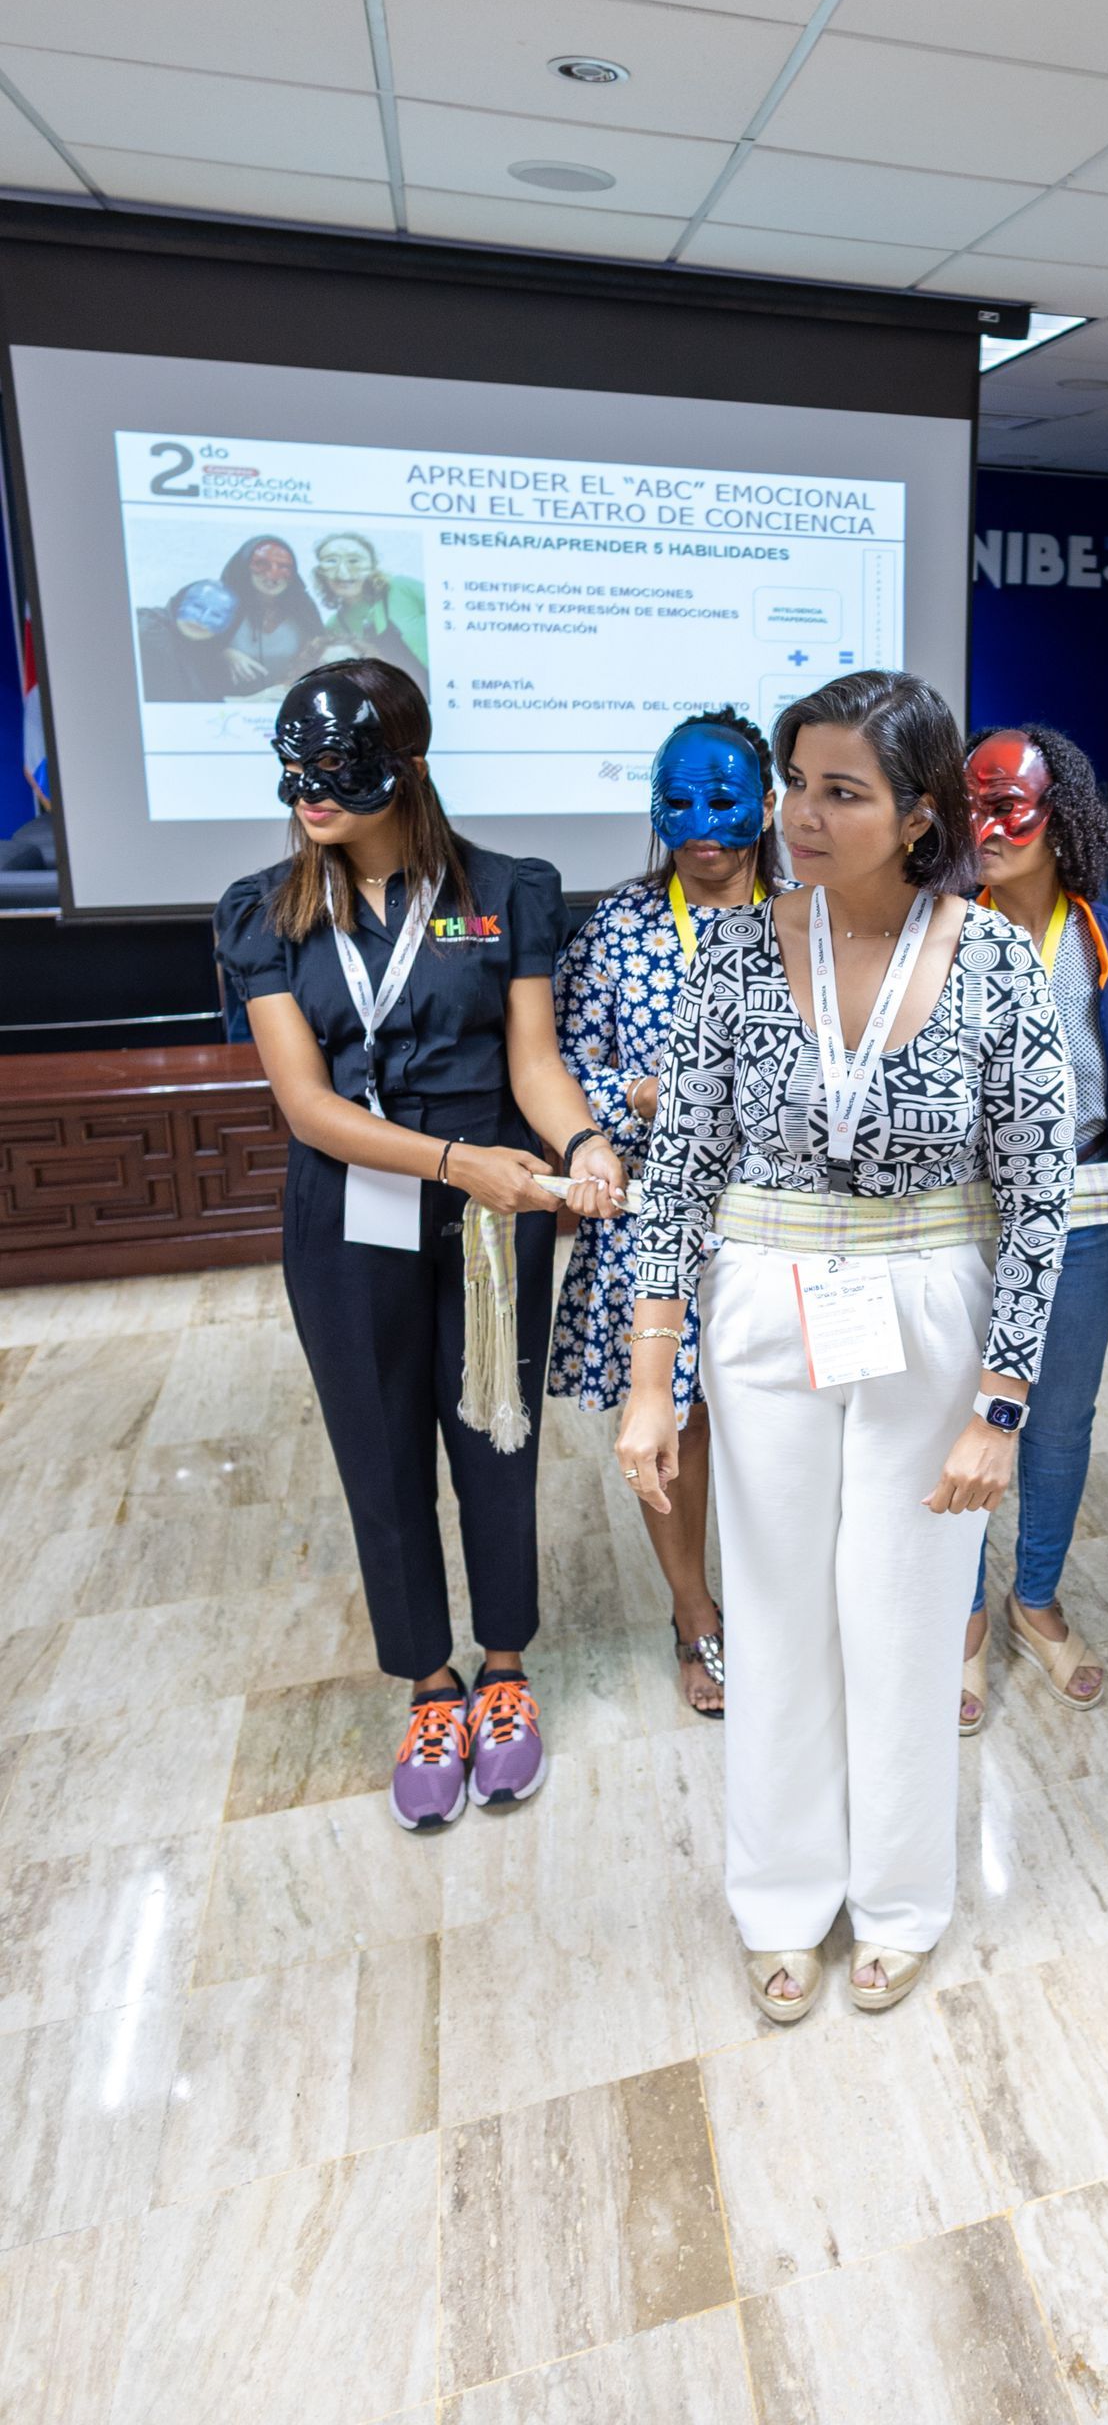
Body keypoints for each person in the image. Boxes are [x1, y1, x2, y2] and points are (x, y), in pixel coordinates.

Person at [615, 670, 1073, 2025]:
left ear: (920, 815)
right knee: (773, 1613)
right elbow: (679, 1169)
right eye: (795, 787)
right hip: (767, 1300)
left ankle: (901, 1901)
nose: (799, 817)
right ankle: (779, 1896)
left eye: (840, 792)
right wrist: (652, 1381)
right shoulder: (735, 952)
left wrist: (1001, 1403)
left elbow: (1042, 1190)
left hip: (932, 1308)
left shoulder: (996, 959)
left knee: (904, 1615)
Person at [215, 657, 627, 1831]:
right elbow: (306, 1105)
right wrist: (456, 1162)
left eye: (335, 768)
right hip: (355, 1210)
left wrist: (583, 1141)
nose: (310, 792)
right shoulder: (266, 911)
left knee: (496, 1435)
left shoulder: (505, 892)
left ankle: (504, 1670)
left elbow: (533, 1064)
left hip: (494, 1215)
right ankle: (431, 1687)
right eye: (293, 769)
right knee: (379, 1451)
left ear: (407, 764)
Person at [548, 708, 781, 1717]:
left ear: (766, 806)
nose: (701, 824)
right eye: (676, 801)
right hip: (657, 1221)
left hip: (783, 1220)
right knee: (672, 1426)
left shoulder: (813, 917)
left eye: (723, 799)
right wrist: (641, 1097)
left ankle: (784, 1608)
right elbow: (563, 1066)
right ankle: (695, 1615)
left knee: (779, 1421)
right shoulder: (618, 927)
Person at [958, 724, 1108, 1729]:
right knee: (957, 1419)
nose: (985, 827)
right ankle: (962, 1616)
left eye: (1008, 807)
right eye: (970, 806)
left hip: (1089, 1217)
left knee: (1058, 1422)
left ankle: (1036, 1597)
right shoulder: (935, 936)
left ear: (1065, 820)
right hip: (960, 1222)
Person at [311, 531, 430, 672]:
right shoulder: (334, 625)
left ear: (372, 566)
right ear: (320, 572)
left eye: (354, 561)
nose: (343, 572)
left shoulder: (401, 588)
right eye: (331, 561)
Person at [218, 534, 324, 689]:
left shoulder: (302, 608)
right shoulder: (225, 605)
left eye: (283, 567)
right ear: (244, 567)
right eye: (261, 564)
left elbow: (319, 654)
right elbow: (198, 648)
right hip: (230, 699)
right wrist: (225, 653)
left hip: (287, 696)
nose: (272, 576)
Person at [136, 578, 239, 701]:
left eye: (216, 615)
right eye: (197, 606)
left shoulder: (208, 657)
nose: (202, 619)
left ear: (227, 625)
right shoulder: (147, 628)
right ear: (179, 602)